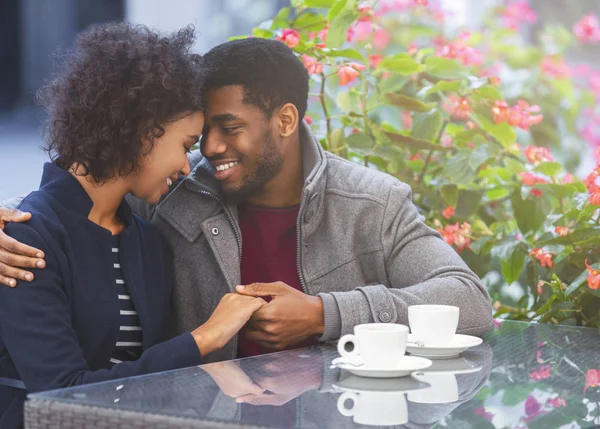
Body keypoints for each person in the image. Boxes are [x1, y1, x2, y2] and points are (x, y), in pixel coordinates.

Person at [0, 38, 493, 364]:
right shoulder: (173, 194)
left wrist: (325, 314)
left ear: (284, 120)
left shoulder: (371, 203)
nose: (210, 149)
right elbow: (79, 205)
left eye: (229, 128)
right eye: (200, 133)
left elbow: (468, 300)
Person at [0, 22, 266, 403]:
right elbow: (61, 392)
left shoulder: (146, 241)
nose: (187, 164)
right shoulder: (23, 241)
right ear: (144, 131)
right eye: (185, 144)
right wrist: (203, 339)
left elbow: (152, 385)